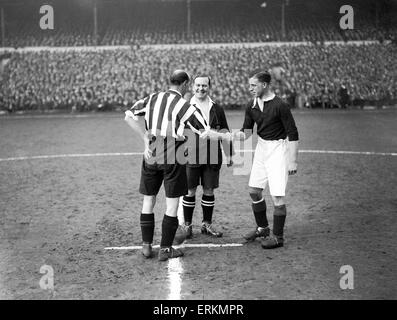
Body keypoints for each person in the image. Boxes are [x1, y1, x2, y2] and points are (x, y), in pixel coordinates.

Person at [124, 70, 231, 261]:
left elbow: (128, 116)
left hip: (151, 155)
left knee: (148, 201)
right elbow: (204, 131)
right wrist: (224, 136)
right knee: (172, 204)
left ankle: (147, 246)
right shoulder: (184, 105)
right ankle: (165, 249)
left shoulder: (152, 98)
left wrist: (145, 139)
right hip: (173, 156)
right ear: (185, 85)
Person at [234, 71, 299, 249]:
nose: (250, 89)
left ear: (264, 85)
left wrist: (293, 161)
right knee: (254, 190)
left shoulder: (280, 105)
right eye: (249, 85)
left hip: (278, 149)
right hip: (262, 148)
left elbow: (293, 133)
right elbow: (246, 132)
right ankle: (263, 228)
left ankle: (278, 237)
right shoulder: (251, 105)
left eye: (253, 85)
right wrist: (221, 136)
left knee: (277, 196)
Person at [177, 75, 234, 239]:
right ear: (192, 86)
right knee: (189, 190)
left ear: (209, 87)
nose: (201, 89)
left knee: (209, 190)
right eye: (198, 85)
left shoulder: (217, 108)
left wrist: (229, 154)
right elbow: (177, 132)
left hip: (212, 155)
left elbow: (224, 131)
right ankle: (187, 225)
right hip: (191, 155)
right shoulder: (185, 107)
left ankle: (206, 224)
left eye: (204, 86)